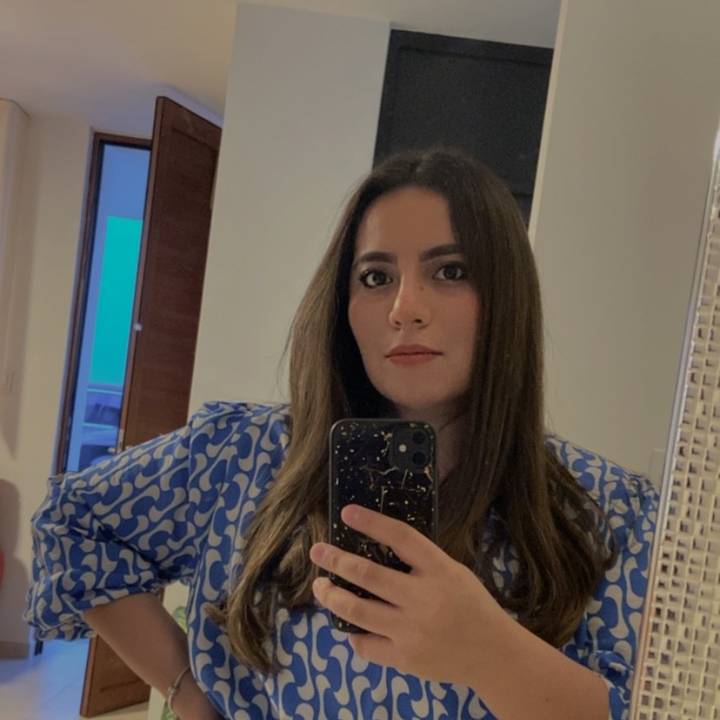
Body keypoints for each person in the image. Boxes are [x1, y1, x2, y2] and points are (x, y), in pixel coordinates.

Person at [24, 147, 659, 720]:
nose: (404, 308)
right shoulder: (238, 455)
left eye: (451, 271)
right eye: (376, 277)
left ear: (508, 297)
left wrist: (489, 653)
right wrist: (189, 692)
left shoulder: (605, 512)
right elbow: (72, 522)